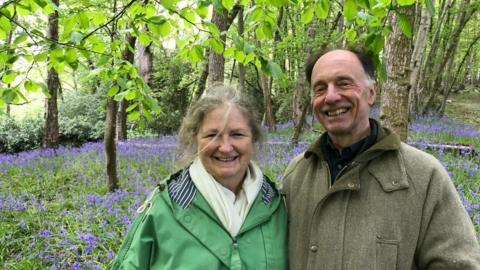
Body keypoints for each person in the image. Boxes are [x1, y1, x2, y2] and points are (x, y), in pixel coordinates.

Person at [281, 48, 480, 269]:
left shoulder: (423, 175)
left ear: (372, 93)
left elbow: (459, 264)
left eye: (344, 83)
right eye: (320, 88)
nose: (331, 96)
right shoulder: (296, 174)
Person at [112, 84, 287, 269]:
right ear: (195, 139)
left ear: (253, 139)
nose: (226, 147)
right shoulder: (165, 205)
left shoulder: (276, 206)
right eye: (212, 135)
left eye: (237, 134)